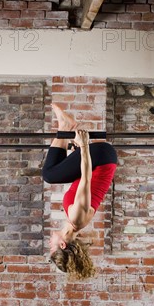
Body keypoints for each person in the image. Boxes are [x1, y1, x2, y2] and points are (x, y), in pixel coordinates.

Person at [43, 104, 117, 279]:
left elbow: (79, 180)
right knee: (49, 174)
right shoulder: (77, 218)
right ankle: (65, 126)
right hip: (102, 157)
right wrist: (84, 147)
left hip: (100, 159)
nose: (49, 243)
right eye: (51, 247)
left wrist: (75, 152)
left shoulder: (73, 219)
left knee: (53, 173)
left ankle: (64, 127)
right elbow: (86, 178)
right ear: (62, 245)